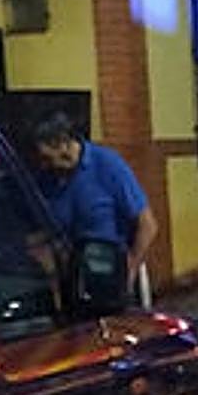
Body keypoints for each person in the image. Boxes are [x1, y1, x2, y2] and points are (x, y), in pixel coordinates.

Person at [33, 112, 157, 295]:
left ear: (64, 145)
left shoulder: (108, 166)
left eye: (47, 158)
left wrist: (129, 270)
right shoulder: (48, 179)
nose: (44, 166)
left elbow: (147, 225)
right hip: (72, 280)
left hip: (108, 274)